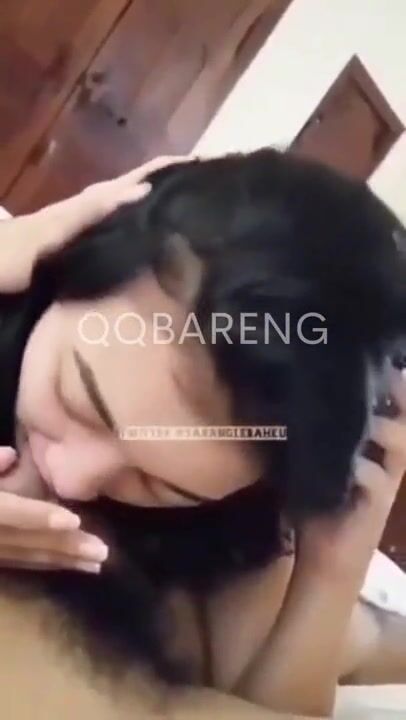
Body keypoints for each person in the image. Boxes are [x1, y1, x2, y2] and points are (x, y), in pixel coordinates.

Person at [0, 149, 405, 720]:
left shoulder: (226, 531)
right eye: (78, 398)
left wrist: (332, 572)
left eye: (160, 484)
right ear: (69, 262)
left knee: (364, 639)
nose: (72, 480)